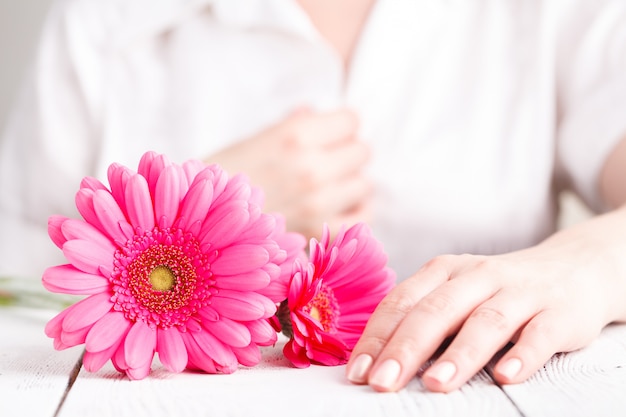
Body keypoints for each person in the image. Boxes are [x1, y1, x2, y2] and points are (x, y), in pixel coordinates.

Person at [1, 0, 625, 393]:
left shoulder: (555, 13)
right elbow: (19, 266)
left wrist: (590, 262)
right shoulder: (98, 19)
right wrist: (207, 213)